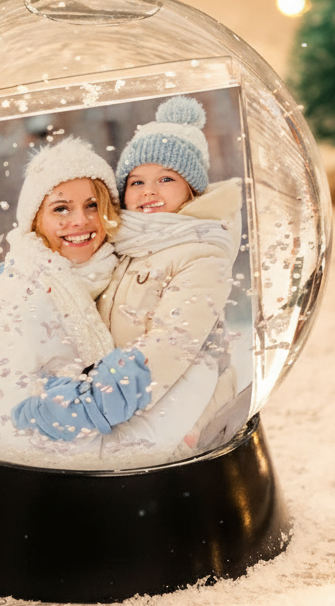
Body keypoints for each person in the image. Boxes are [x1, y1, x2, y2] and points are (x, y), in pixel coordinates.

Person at [0, 136, 151, 467]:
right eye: (61, 208)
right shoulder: (24, 292)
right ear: (36, 220)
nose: (79, 220)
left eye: (92, 205)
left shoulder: (111, 272)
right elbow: (5, 409)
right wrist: (95, 404)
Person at [97, 94, 245, 465]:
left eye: (166, 178)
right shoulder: (124, 242)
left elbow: (175, 342)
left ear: (191, 189)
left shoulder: (203, 251)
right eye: (136, 181)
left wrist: (109, 394)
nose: (149, 191)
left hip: (181, 394)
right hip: (128, 392)